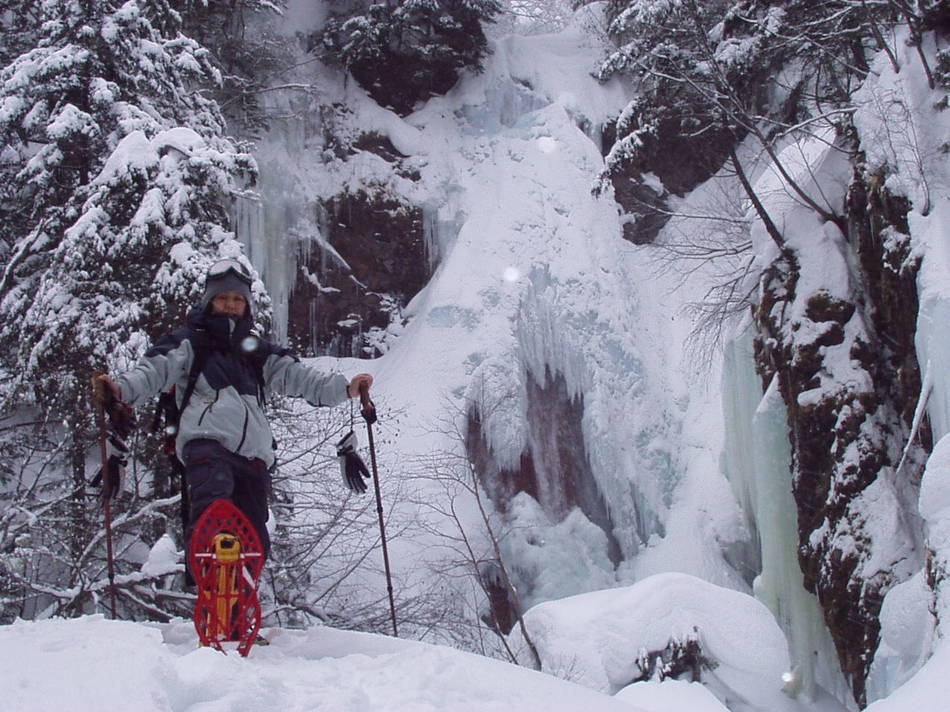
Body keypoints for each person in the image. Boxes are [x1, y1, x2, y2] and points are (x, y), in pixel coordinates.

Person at [92, 258, 373, 568]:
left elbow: (300, 378)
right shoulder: (189, 343)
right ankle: (208, 569)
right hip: (206, 443)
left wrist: (346, 389)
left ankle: (235, 603)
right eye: (223, 297)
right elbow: (153, 371)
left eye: (237, 299)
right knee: (214, 502)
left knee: (254, 539)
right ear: (209, 301)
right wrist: (120, 391)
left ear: (246, 306)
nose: (230, 304)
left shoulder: (257, 351)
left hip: (253, 455)